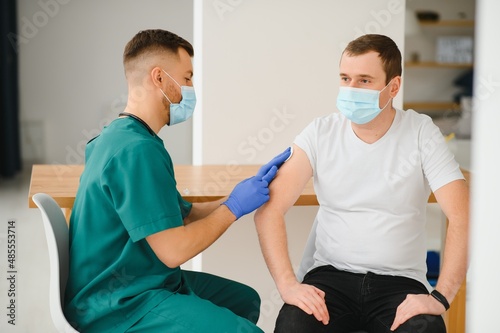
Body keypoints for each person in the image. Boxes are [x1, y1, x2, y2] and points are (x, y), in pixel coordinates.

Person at [64, 29, 291, 333]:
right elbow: (174, 251)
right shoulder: (136, 151)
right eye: (186, 78)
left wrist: (241, 193)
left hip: (139, 279)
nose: (191, 88)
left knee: (245, 300)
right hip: (120, 304)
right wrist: (234, 208)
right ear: (159, 78)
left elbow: (180, 214)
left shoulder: (122, 137)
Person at [254, 34, 469, 333]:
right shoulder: (320, 132)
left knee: (428, 328)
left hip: (400, 284)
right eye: (345, 78)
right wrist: (288, 285)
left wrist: (441, 297)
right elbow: (270, 209)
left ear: (393, 86)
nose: (351, 89)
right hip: (331, 279)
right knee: (293, 324)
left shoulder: (420, 132)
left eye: (365, 80)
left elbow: (462, 214)